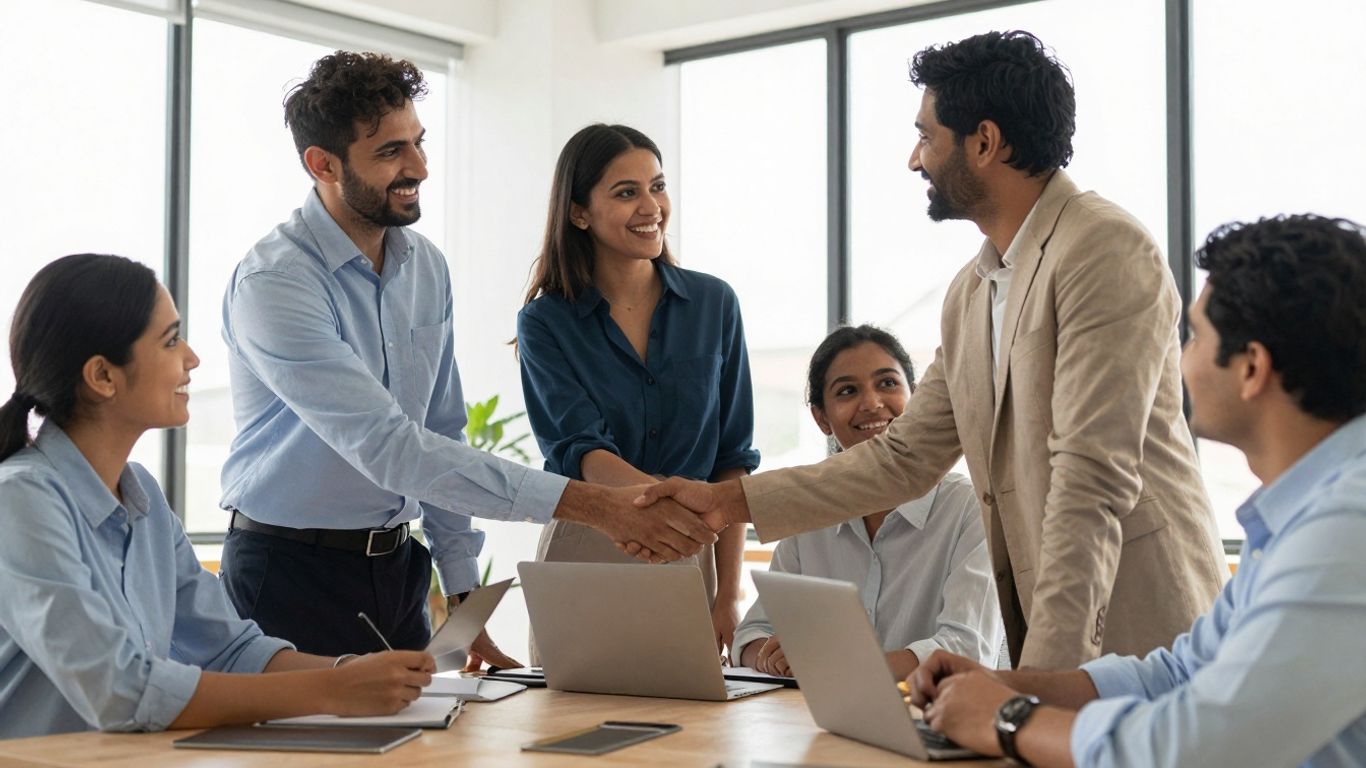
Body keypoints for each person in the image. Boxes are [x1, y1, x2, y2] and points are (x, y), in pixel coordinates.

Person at [636, 30, 1227, 669]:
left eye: (926, 136)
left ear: (984, 142)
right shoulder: (970, 293)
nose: (914, 160)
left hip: (1143, 626)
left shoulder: (1103, 248)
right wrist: (729, 503)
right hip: (1053, 644)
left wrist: (1040, 685)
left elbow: (1092, 478)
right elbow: (903, 459)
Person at [217, 52, 714, 663]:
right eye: (390, 152)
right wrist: (595, 508)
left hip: (397, 570)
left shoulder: (424, 266)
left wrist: (461, 588)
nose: (419, 168)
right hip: (286, 573)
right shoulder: (276, 283)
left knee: (415, 757)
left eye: (419, 143)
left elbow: (439, 429)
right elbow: (392, 449)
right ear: (322, 164)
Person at [906, 214, 1366, 768]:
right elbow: (1178, 673)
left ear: (1251, 369)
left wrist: (1007, 721)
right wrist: (1004, 685)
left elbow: (1202, 745)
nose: (1179, 357)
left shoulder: (1346, 527)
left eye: (1193, 336)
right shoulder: (1307, 515)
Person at [0, 254, 436, 739]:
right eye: (170, 341)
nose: (191, 358)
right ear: (103, 376)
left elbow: (229, 650)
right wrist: (334, 692)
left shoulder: (140, 493)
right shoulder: (19, 501)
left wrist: (357, 674)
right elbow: (119, 690)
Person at [517, 124, 759, 657]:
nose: (651, 206)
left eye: (657, 186)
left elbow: (732, 455)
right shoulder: (546, 322)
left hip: (692, 539)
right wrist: (667, 510)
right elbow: (580, 450)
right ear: (579, 212)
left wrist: (727, 591)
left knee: (693, 732)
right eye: (627, 192)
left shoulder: (715, 304)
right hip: (591, 542)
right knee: (567, 723)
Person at [733, 325, 1002, 679]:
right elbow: (752, 633)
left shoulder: (969, 507)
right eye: (847, 391)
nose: (872, 403)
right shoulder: (810, 512)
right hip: (821, 719)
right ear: (821, 418)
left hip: (933, 718)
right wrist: (771, 657)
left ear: (921, 400)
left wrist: (840, 666)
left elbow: (967, 648)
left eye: (888, 383)